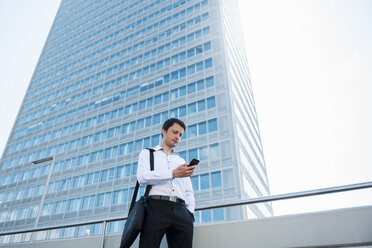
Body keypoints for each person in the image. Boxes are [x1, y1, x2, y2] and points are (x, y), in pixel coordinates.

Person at [137, 118, 195, 248]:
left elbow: (188, 190)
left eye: (180, 135)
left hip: (181, 210)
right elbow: (142, 177)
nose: (177, 137)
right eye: (175, 132)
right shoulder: (148, 153)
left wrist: (190, 213)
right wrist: (173, 173)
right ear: (164, 131)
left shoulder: (181, 160)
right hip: (155, 207)